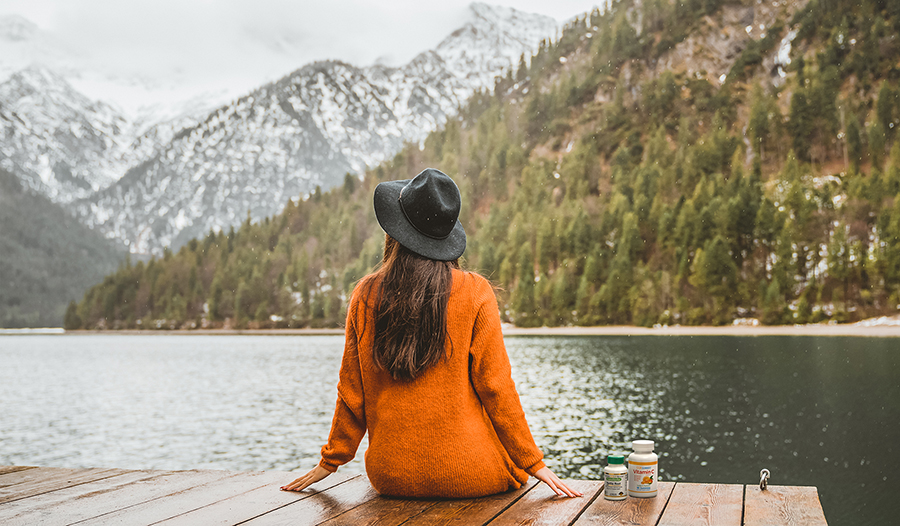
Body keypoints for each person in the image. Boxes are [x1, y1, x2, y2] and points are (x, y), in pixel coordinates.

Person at [281, 168, 580, 499]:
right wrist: (534, 463)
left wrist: (330, 461)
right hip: (469, 474)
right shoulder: (476, 292)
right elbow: (496, 388)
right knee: (507, 462)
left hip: (390, 476)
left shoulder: (365, 295)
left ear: (394, 233)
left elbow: (352, 391)